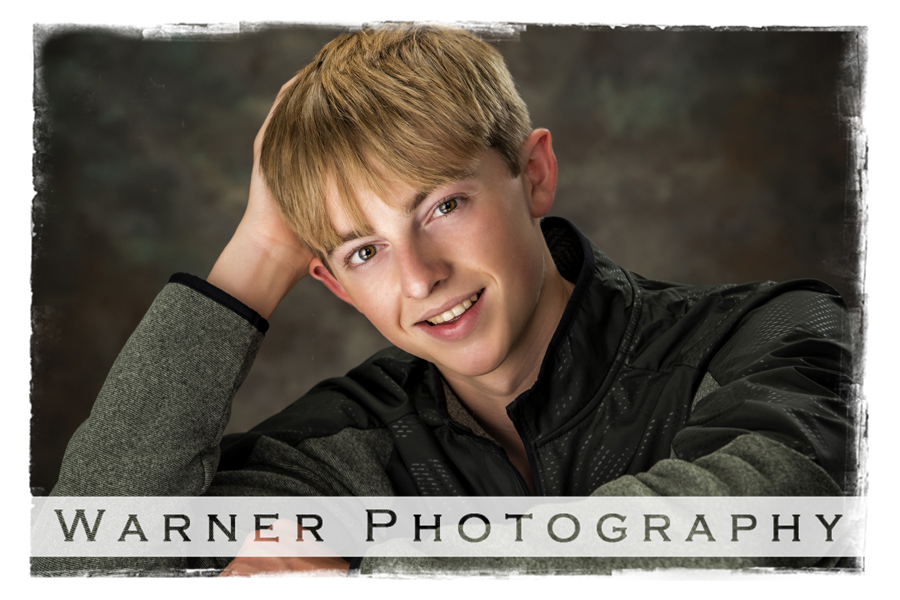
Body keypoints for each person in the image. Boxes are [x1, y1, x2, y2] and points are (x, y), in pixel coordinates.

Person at [34, 24, 854, 576]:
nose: (420, 277)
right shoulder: (346, 441)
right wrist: (259, 251)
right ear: (331, 283)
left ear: (533, 175)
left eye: (442, 207)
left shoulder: (775, 332)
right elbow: (91, 554)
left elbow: (771, 512)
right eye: (364, 250)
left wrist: (366, 565)